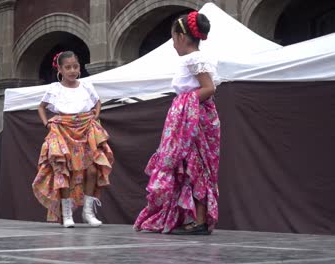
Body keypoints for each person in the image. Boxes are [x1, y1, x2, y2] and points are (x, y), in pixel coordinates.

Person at [134, 11, 220, 235]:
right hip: (192, 116)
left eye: (173, 39)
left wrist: (184, 104)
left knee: (194, 164)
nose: (173, 45)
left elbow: (208, 88)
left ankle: (199, 221)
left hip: (193, 120)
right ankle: (195, 219)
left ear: (181, 37)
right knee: (192, 166)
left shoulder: (194, 59)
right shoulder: (196, 59)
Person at [33, 51, 114, 228]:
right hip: (63, 128)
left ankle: (88, 212)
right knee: (63, 170)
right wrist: (47, 124)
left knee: (92, 169)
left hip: (85, 127)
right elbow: (41, 107)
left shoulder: (86, 86)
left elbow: (97, 102)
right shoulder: (55, 88)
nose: (72, 70)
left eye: (75, 66)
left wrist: (95, 116)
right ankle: (67, 213)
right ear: (60, 69)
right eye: (68, 67)